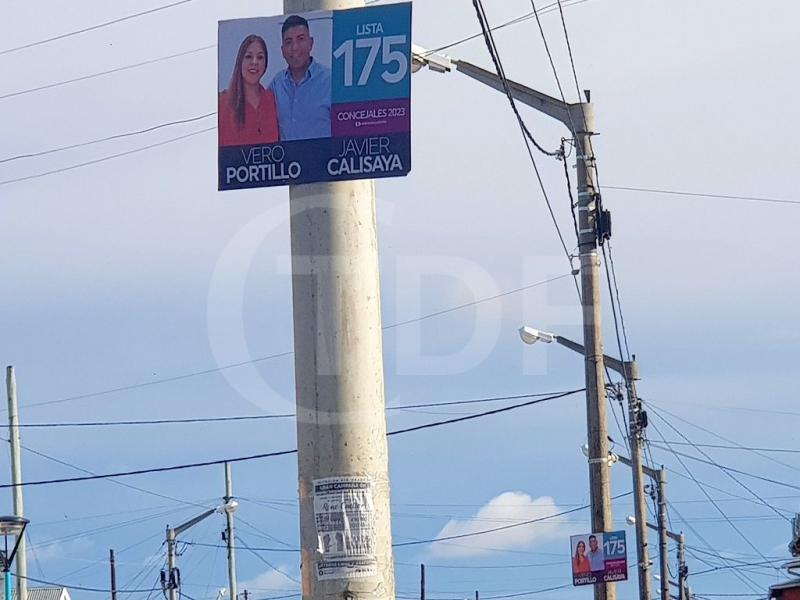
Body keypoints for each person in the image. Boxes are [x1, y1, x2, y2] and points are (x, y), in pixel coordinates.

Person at [269, 14, 332, 140]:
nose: (295, 48)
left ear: (311, 43)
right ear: (282, 50)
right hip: (287, 159)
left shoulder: (330, 81)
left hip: (325, 159)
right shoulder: (276, 84)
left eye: (301, 39)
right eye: (289, 42)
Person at [219, 34, 280, 146]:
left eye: (260, 57)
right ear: (240, 61)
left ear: (265, 64)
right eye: (248, 56)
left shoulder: (272, 99)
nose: (254, 62)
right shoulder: (223, 102)